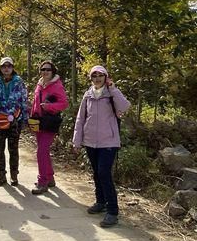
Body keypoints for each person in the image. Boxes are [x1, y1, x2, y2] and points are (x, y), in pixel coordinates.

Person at [72, 65, 130, 228]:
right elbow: (80, 119)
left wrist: (113, 89)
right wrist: (77, 141)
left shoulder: (111, 94)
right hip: (91, 141)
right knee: (97, 173)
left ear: (106, 77)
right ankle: (100, 202)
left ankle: (112, 211)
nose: (97, 78)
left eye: (100, 75)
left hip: (109, 141)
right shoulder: (88, 95)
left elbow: (125, 107)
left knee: (104, 173)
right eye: (94, 76)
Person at [0, 57, 28, 186]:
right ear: (0, 68)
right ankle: (1, 175)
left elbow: (24, 101)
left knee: (13, 149)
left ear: (13, 68)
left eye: (9, 66)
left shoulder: (19, 82)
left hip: (15, 121)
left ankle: (14, 175)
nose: (6, 68)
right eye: (4, 66)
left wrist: (25, 118)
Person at [30, 60, 68, 195]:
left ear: (53, 72)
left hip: (50, 122)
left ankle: (42, 182)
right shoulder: (40, 85)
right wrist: (31, 116)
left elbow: (64, 103)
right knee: (43, 151)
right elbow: (35, 102)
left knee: (41, 151)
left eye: (48, 69)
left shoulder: (57, 86)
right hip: (38, 122)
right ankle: (50, 177)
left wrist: (50, 107)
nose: (45, 72)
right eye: (43, 69)